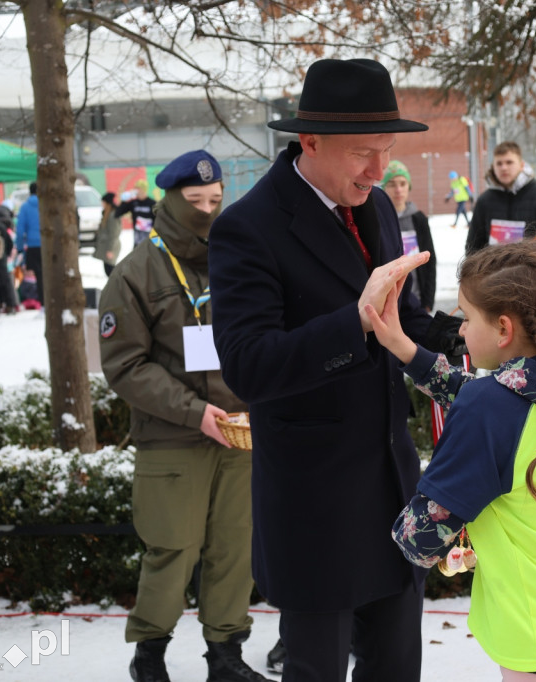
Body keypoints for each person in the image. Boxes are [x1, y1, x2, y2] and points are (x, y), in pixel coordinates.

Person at [209, 58, 440, 682]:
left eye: (387, 150)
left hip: (393, 490)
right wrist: (353, 323)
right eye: (364, 151)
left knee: (396, 670)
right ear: (308, 141)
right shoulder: (247, 228)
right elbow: (249, 368)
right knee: (317, 671)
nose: (379, 169)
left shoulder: (378, 208)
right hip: (315, 505)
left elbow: (402, 320)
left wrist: (469, 332)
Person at [363, 239, 536, 682]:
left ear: (504, 330)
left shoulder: (491, 409)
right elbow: (490, 401)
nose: (459, 330)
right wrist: (404, 348)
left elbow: (419, 538)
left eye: (466, 316)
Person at [98, 150, 270, 682]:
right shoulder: (136, 272)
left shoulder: (240, 259)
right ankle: (149, 653)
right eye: (194, 201)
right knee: (172, 550)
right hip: (172, 438)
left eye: (215, 201)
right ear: (169, 201)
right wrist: (194, 412)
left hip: (239, 435)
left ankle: (226, 655)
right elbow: (124, 363)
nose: (206, 211)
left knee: (234, 549)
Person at [465, 141, 536, 258]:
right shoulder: (484, 201)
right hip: (493, 275)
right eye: (499, 163)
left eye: (509, 162)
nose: (504, 168)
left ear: (521, 165)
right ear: (493, 166)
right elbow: (473, 246)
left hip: (533, 274)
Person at [383, 160, 436, 311]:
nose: (398, 190)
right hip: (388, 302)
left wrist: (428, 300)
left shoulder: (418, 219)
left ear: (409, 186)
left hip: (417, 300)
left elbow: (430, 260)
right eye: (392, 184)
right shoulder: (379, 219)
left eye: (402, 183)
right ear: (384, 188)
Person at [15, 182, 44, 304]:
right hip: (47, 246)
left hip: (33, 246)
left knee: (38, 275)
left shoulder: (25, 207)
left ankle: (42, 302)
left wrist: (20, 247)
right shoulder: (46, 205)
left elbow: (20, 230)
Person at [0, 204, 19, 315]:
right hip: (3, 258)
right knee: (6, 282)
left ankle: (3, 304)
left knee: (0, 282)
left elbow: (9, 243)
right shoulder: (4, 225)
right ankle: (10, 305)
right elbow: (10, 243)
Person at [115, 179, 158, 247]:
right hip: (138, 240)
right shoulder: (133, 203)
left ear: (143, 190)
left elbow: (158, 220)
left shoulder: (152, 203)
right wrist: (124, 200)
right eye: (135, 188)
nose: (135, 190)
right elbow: (117, 213)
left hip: (151, 239)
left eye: (137, 188)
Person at [94, 192, 123, 277]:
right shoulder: (107, 214)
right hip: (106, 246)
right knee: (108, 270)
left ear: (108, 203)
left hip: (111, 247)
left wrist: (110, 250)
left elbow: (114, 234)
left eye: (103, 202)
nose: (102, 204)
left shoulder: (112, 215)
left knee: (110, 271)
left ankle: (116, 289)